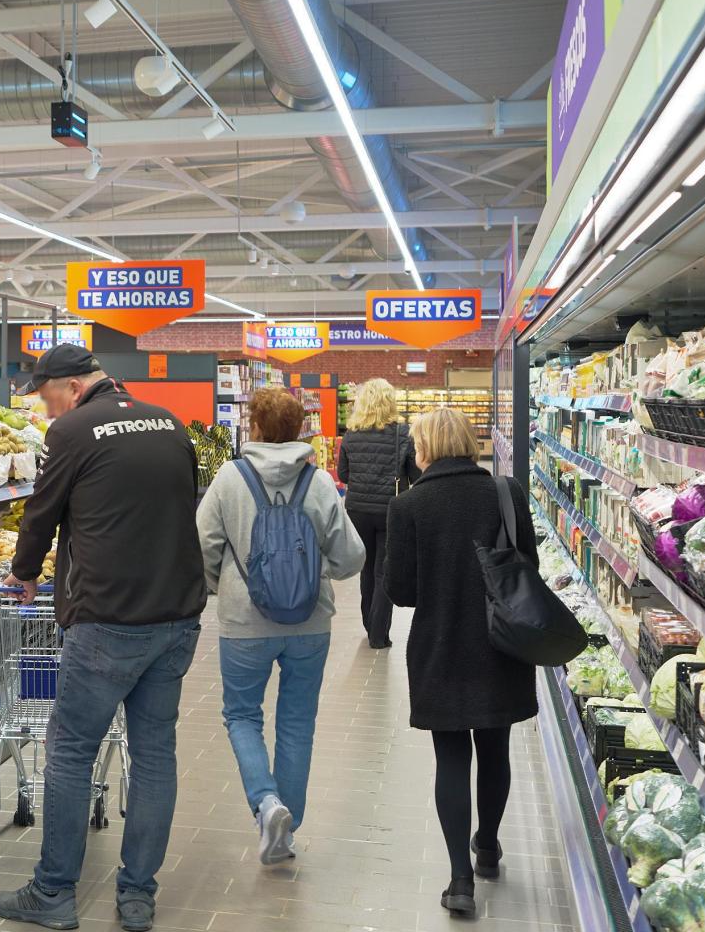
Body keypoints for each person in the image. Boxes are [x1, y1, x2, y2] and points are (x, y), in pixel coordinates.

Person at [0, 343, 205, 932]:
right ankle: (137, 895)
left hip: (109, 619)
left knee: (70, 749)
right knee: (154, 755)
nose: (46, 410)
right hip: (176, 614)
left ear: (71, 386)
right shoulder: (167, 423)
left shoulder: (73, 432)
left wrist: (26, 572)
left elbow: (41, 513)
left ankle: (54, 892)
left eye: (46, 397)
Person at [196, 388, 364, 867]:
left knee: (243, 715)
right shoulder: (319, 482)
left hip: (243, 624)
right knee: (297, 720)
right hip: (311, 624)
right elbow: (352, 556)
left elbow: (202, 544)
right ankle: (288, 826)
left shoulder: (229, 478)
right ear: (299, 428)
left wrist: (223, 586)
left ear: (254, 427)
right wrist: (319, 573)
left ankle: (266, 802)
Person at [384, 408, 536, 917]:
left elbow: (401, 593)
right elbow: (528, 567)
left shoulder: (408, 506)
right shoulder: (505, 492)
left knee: (451, 759)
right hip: (501, 646)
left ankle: (460, 880)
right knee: (495, 750)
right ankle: (488, 847)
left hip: (441, 646)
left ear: (423, 448)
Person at [337, 378, 419, 648]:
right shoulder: (402, 432)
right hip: (390, 509)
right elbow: (415, 472)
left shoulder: (351, 433)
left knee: (366, 569)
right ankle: (378, 633)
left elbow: (343, 474)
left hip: (358, 509)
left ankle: (368, 622)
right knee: (385, 569)